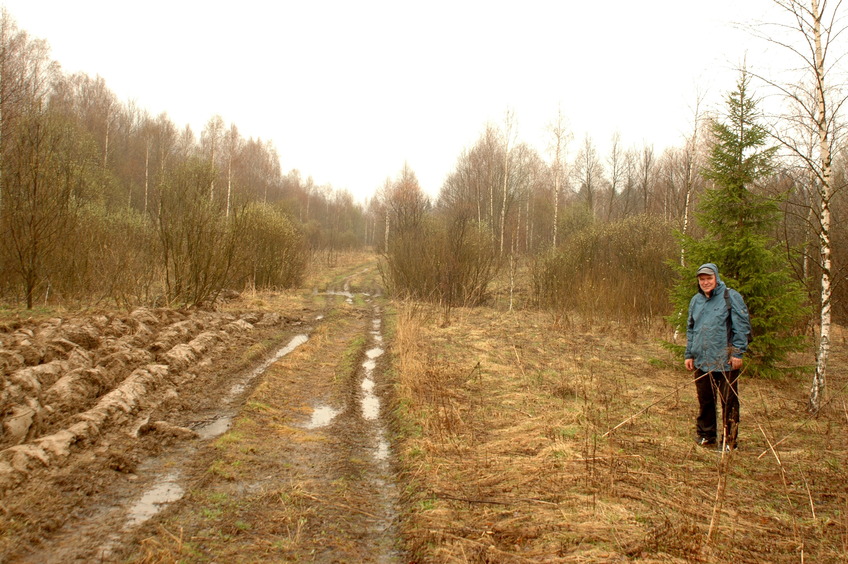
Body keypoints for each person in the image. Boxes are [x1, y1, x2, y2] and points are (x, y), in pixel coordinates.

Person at [684, 263, 752, 451]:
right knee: (705, 399)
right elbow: (691, 328)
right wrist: (689, 354)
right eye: (702, 279)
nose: (705, 282)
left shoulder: (730, 297)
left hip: (725, 361)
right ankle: (707, 435)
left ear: (716, 278)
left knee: (728, 401)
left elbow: (742, 327)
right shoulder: (696, 301)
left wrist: (737, 353)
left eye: (709, 278)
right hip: (701, 359)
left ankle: (730, 441)